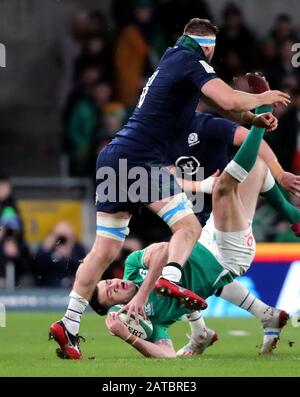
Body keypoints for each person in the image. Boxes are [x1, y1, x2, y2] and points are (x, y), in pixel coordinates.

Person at [49, 18, 290, 359]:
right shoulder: (190, 61)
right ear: (208, 46)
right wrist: (263, 97)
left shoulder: (171, 62)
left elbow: (218, 106)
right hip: (141, 160)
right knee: (187, 226)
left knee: (104, 251)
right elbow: (228, 99)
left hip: (113, 156)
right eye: (212, 50)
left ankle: (69, 324)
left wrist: (253, 120)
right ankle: (173, 277)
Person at [94, 103, 297, 358]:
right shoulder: (147, 321)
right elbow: (167, 356)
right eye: (112, 291)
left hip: (205, 231)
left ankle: (260, 317)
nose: (115, 283)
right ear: (115, 306)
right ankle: (264, 112)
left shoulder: (133, 266)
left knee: (255, 166)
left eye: (109, 281)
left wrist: (142, 294)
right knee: (224, 187)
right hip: (225, 255)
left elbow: (164, 251)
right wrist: (130, 337)